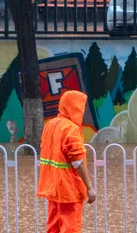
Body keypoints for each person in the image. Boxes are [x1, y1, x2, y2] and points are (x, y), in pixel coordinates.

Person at [36, 90, 96, 233]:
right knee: (70, 228)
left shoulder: (50, 125)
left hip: (52, 187)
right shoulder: (71, 129)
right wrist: (89, 187)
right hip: (69, 190)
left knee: (53, 227)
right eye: (81, 107)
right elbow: (77, 161)